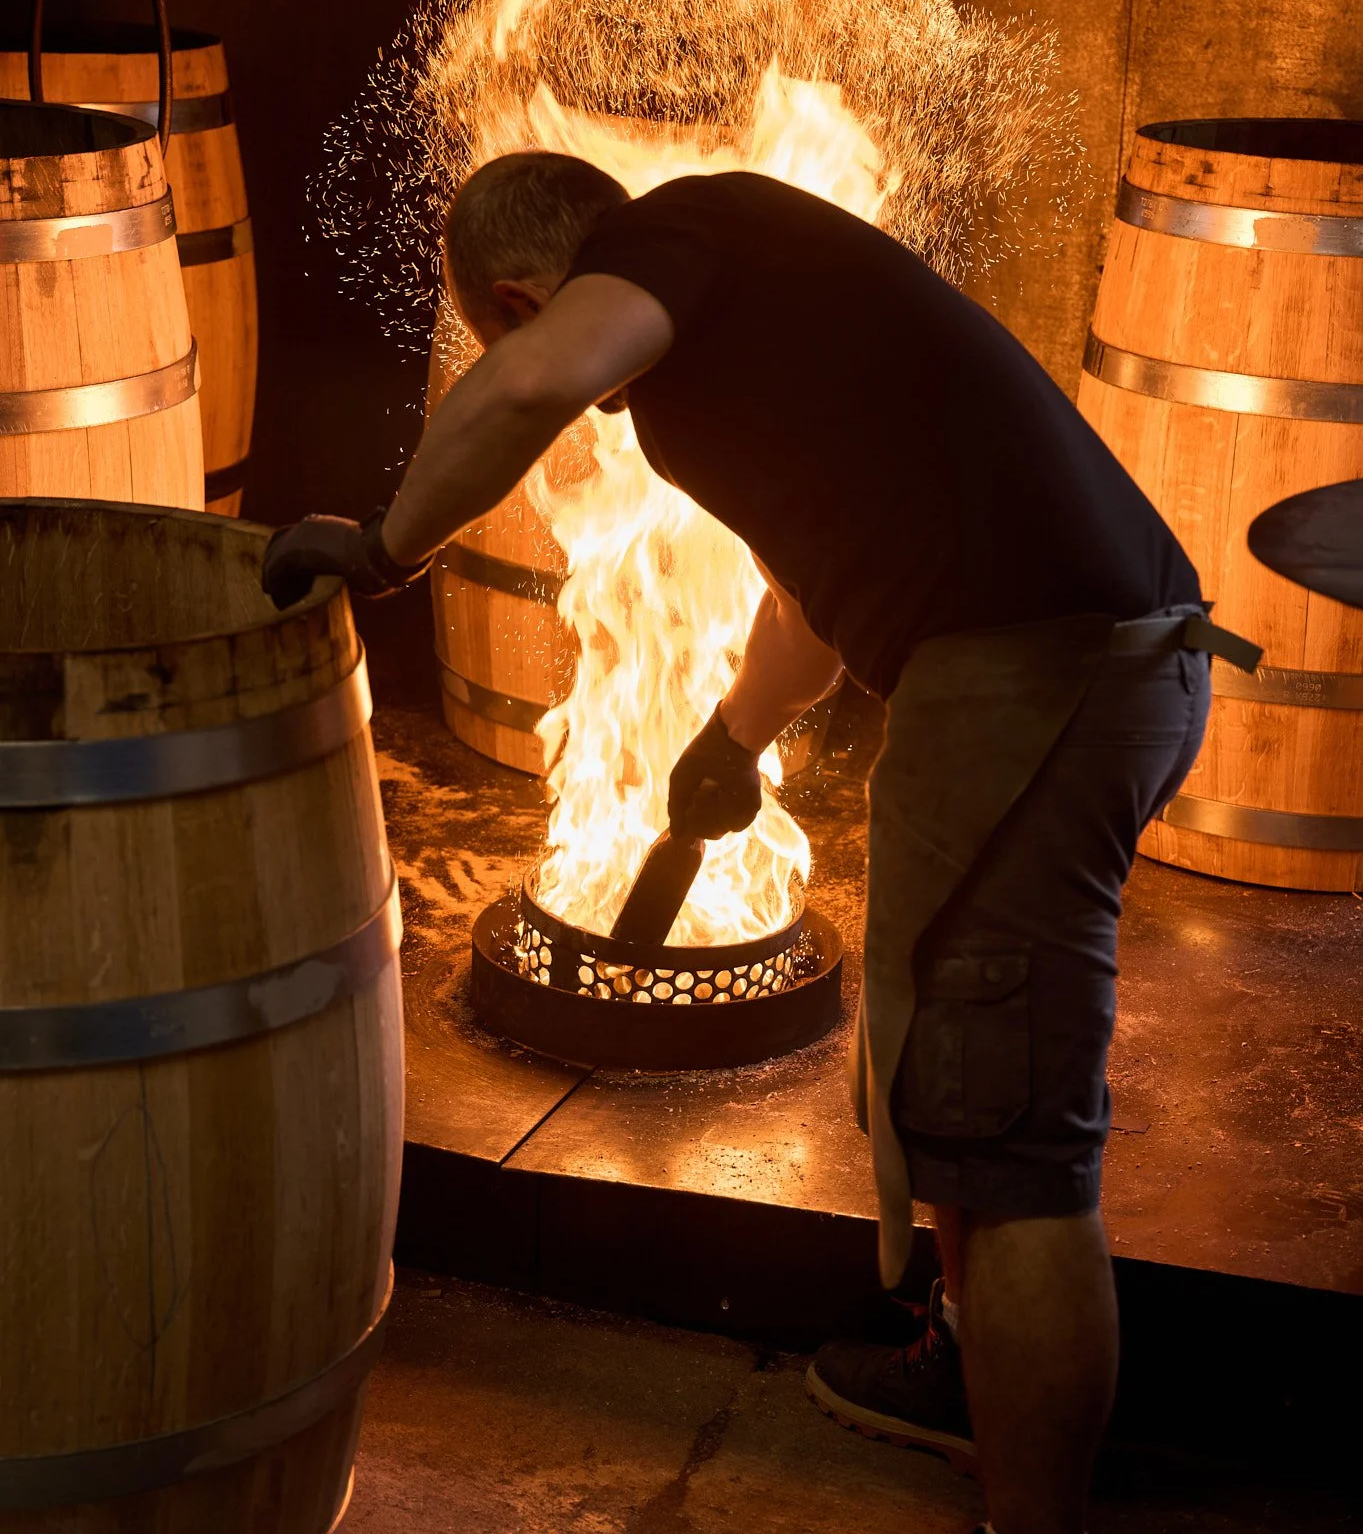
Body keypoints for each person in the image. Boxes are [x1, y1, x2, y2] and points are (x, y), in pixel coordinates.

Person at [265, 150, 1256, 1534]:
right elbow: (805, 596)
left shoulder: (686, 227)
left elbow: (531, 384)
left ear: (518, 295)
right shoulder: (726, 360)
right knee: (939, 1086)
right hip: (1055, 675)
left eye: (519, 325)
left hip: (1044, 677)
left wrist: (383, 548)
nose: (556, 373)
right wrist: (729, 741)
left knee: (1011, 1142)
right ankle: (963, 1375)